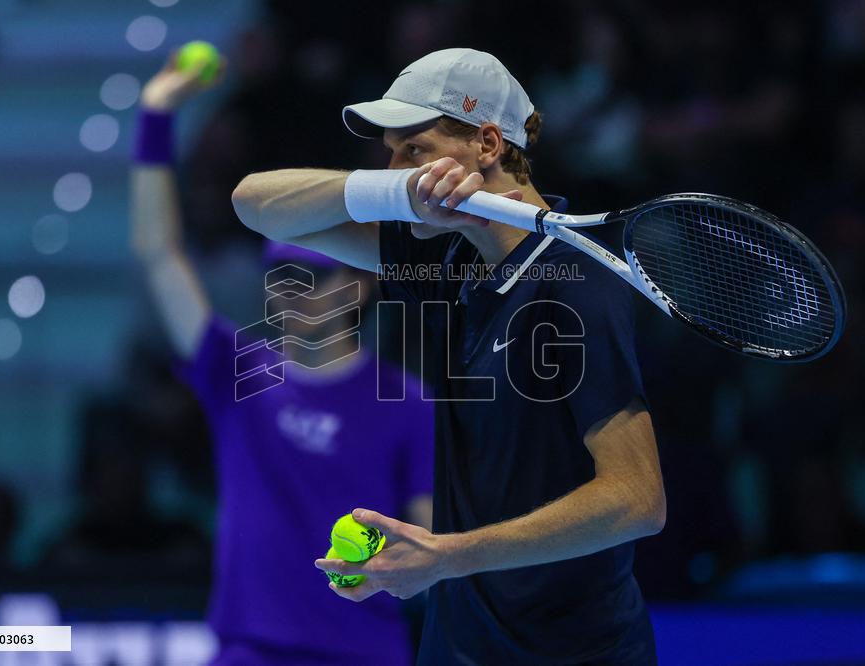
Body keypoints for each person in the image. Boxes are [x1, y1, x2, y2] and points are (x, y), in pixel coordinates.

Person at [232, 48, 666, 664]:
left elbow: (638, 499)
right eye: (389, 153)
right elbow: (255, 204)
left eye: (412, 148)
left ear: (487, 144)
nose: (395, 165)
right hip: (458, 645)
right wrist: (400, 191)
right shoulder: (442, 258)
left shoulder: (577, 282)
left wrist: (448, 556)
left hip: (572, 650)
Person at [130, 55, 433, 666]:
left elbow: (432, 547)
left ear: (357, 288)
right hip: (249, 652)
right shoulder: (234, 369)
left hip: (366, 654)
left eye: (312, 277)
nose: (289, 289)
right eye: (279, 274)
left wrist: (396, 562)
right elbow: (159, 252)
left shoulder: (409, 403)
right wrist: (156, 115)